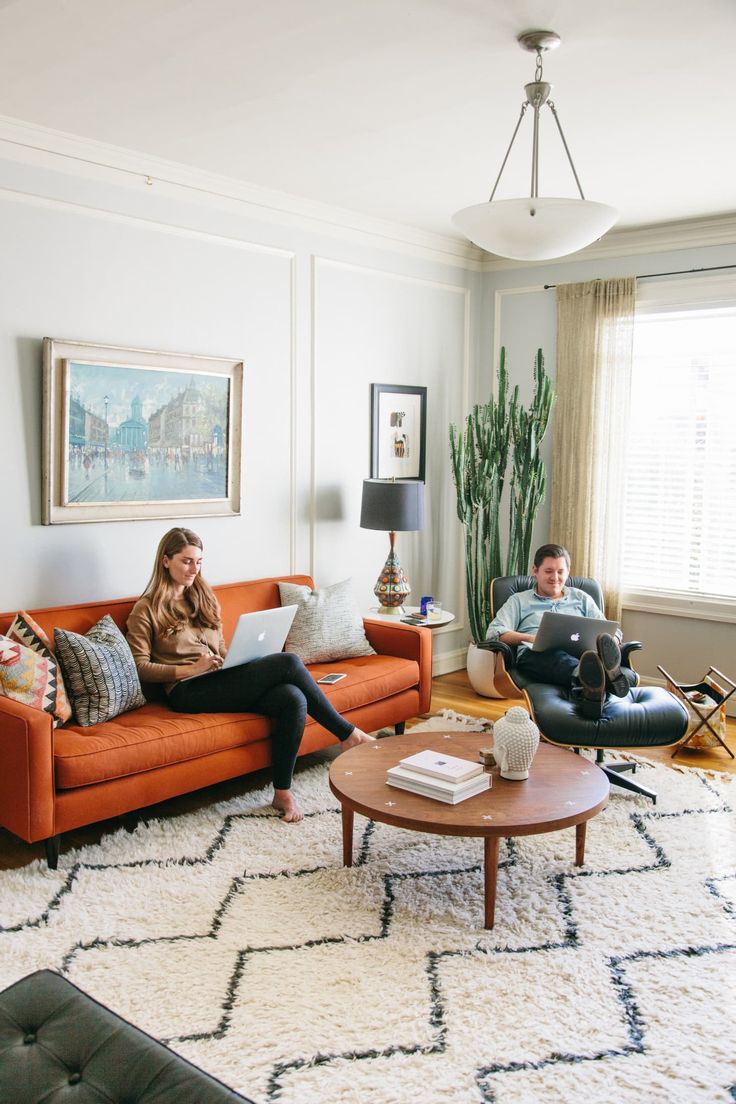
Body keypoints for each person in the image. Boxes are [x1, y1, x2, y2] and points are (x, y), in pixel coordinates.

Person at [126, 527, 376, 823]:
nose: (195, 569)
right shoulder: (146, 609)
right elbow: (139, 667)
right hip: (186, 690)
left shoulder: (204, 597)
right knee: (289, 663)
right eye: (187, 561)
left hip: (218, 678)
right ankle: (347, 734)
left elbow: (220, 647)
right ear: (165, 561)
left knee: (292, 698)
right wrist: (190, 669)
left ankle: (282, 792)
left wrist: (231, 659)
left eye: (199, 562)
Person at [485, 543, 636, 718]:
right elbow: (494, 632)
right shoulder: (518, 601)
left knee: (598, 646)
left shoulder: (581, 598)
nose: (555, 577)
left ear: (568, 571)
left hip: (583, 653)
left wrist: (613, 643)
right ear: (535, 571)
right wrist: (531, 638)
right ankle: (602, 676)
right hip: (538, 655)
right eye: (548, 571)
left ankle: (592, 683)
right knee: (556, 657)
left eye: (560, 571)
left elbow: (610, 631)